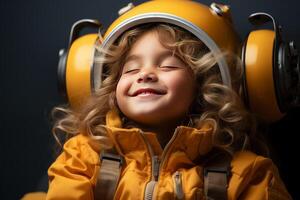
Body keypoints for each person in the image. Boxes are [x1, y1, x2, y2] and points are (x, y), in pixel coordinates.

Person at [44, 1, 297, 200]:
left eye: (168, 65)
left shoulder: (247, 175)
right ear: (111, 88)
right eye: (130, 70)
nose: (145, 74)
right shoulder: (82, 157)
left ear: (206, 83)